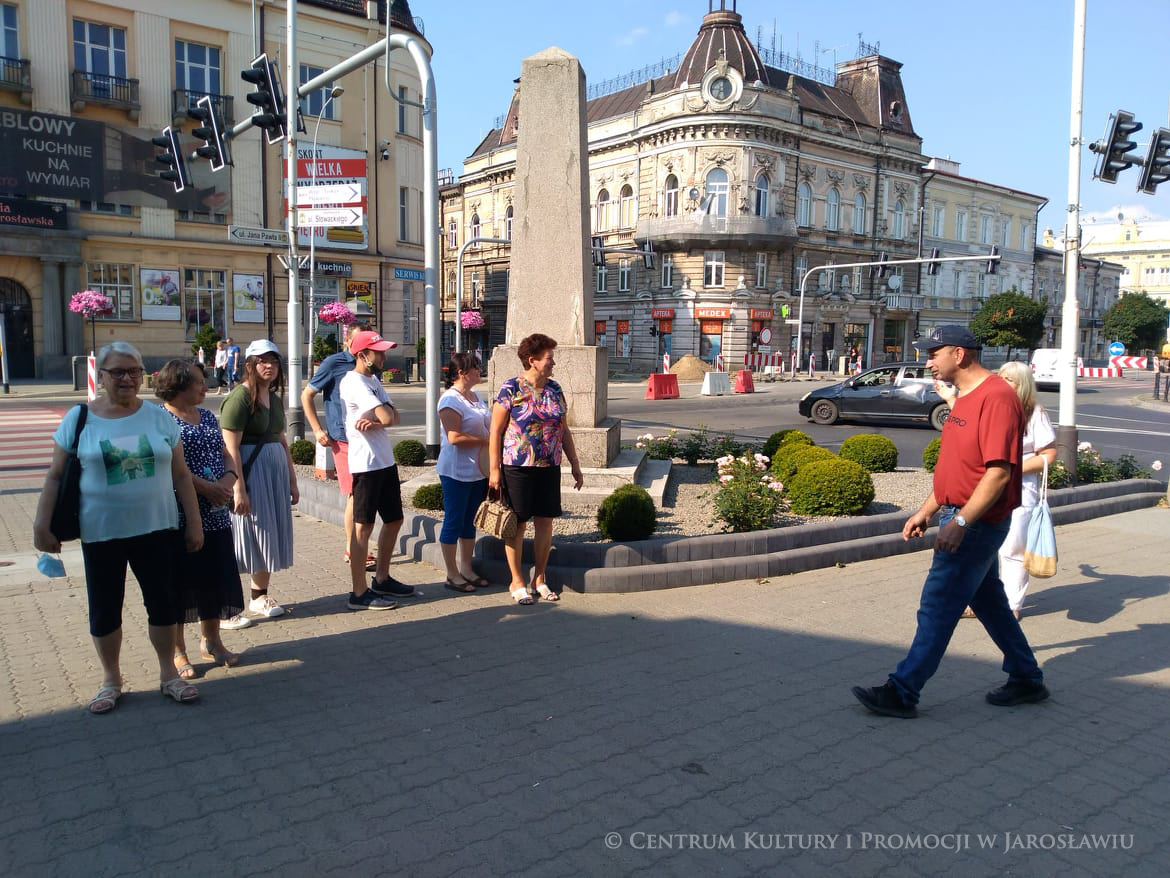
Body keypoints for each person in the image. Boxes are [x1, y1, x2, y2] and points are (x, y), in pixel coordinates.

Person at [851, 325, 1048, 718]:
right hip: (958, 512)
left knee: (938, 604)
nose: (928, 361)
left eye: (933, 353)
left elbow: (998, 473)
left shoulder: (996, 398)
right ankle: (1027, 677)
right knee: (989, 600)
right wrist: (927, 509)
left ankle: (903, 690)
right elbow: (957, 467)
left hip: (975, 521)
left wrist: (959, 523)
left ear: (959, 354)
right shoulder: (966, 399)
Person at [32, 342, 203, 713]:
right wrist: (40, 525)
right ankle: (111, 679)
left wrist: (194, 523)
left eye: (134, 372)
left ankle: (167, 675)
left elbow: (181, 476)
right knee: (105, 608)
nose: (126, 379)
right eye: (118, 372)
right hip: (101, 533)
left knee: (163, 605)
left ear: (143, 376)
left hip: (158, 529)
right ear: (101, 376)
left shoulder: (159, 418)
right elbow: (55, 476)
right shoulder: (78, 419)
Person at [156, 358, 246, 675]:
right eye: (197, 381)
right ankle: (178, 652)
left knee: (214, 580)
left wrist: (229, 479)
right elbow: (169, 466)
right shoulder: (161, 420)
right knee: (181, 585)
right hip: (180, 516)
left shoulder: (206, 415)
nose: (204, 385)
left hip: (217, 513)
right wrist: (205, 487)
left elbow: (224, 452)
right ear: (178, 385)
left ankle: (212, 642)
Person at [488, 333, 584, 605]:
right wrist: (494, 470)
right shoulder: (510, 389)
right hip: (517, 467)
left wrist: (575, 464)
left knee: (545, 523)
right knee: (516, 525)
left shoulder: (554, 389)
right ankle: (516, 581)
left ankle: (539, 578)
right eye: (549, 358)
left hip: (548, 466)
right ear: (533, 361)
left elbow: (563, 430)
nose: (553, 363)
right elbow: (495, 431)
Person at [219, 339, 298, 625]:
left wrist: (291, 479)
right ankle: (226, 604)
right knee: (246, 538)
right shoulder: (240, 398)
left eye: (274, 361)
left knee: (267, 535)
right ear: (250, 365)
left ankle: (259, 596)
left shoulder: (273, 399)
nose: (270, 366)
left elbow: (281, 439)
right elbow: (230, 448)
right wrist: (238, 488)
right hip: (251, 476)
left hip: (273, 476)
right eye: (263, 361)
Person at [339, 329, 416, 609]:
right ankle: (358, 593)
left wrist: (379, 419)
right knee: (363, 528)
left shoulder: (373, 381)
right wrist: (382, 416)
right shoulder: (354, 382)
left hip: (384, 461)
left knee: (394, 520)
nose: (384, 356)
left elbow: (393, 417)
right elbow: (387, 414)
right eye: (378, 352)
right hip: (366, 464)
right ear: (362, 355)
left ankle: (381, 578)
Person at [302, 322, 377, 572]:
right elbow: (307, 395)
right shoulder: (334, 363)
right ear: (348, 342)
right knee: (355, 495)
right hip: (343, 439)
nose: (363, 350)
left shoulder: (370, 365)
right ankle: (351, 547)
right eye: (359, 344)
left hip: (366, 438)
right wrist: (317, 430)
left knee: (364, 494)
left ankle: (359, 545)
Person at [995, 361, 1057, 619]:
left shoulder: (1034, 412)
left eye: (1009, 379)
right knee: (985, 547)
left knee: (1012, 547)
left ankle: (1011, 605)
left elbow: (1049, 453)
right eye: (1001, 377)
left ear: (1022, 385)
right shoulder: (994, 408)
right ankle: (983, 602)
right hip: (988, 487)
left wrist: (1014, 469)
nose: (1002, 382)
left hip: (1021, 489)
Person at [436, 352, 491, 593]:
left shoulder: (475, 397)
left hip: (477, 470)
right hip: (456, 471)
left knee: (470, 522)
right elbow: (454, 437)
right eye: (475, 368)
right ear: (461, 373)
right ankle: (452, 573)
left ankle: (467, 568)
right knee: (454, 521)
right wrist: (486, 440)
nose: (479, 371)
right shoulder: (450, 400)